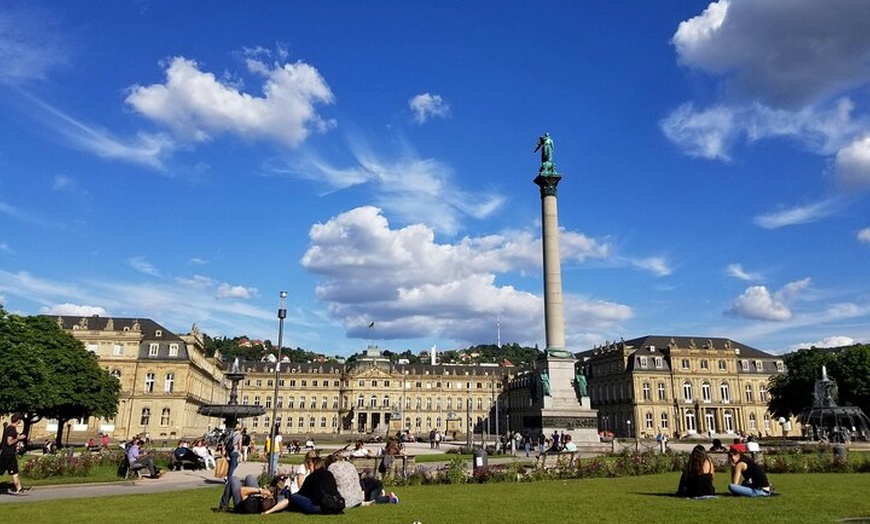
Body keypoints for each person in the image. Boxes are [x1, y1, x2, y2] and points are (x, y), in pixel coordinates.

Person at [216, 473, 280, 513]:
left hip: (241, 504)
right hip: (256, 498)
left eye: (268, 496)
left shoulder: (251, 506)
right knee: (250, 477)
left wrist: (261, 491)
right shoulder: (272, 503)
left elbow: (243, 491)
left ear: (264, 498)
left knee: (234, 479)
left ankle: (223, 506)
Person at [1, 413, 29, 495]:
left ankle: (19, 488)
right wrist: (18, 438)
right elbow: (9, 442)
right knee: (13, 472)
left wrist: (16, 447)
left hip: (8, 454)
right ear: (18, 420)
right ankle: (19, 489)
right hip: (8, 455)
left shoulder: (10, 428)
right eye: (20, 419)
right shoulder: (11, 429)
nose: (21, 421)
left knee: (14, 472)